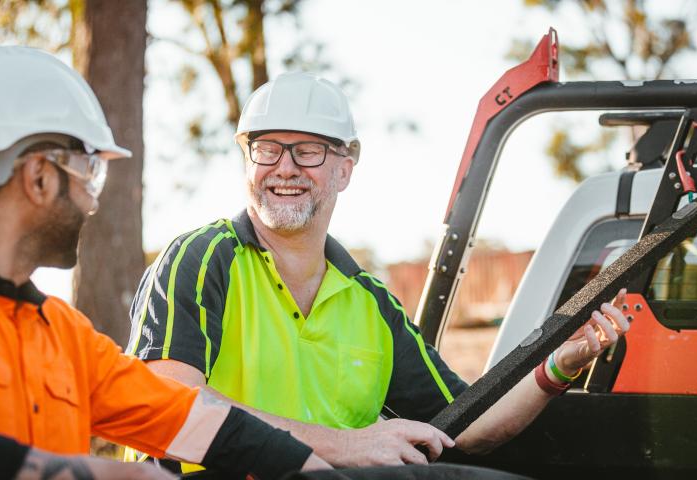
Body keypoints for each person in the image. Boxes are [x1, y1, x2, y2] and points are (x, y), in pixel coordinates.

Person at [126, 72, 629, 471]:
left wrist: (558, 366)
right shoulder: (199, 260)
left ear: (344, 169)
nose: (284, 168)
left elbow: (468, 427)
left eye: (309, 151)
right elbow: (166, 404)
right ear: (247, 160)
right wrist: (343, 447)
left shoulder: (370, 303)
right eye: (267, 148)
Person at [0, 47, 330, 480]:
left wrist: (318, 471)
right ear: (39, 177)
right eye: (90, 174)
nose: (93, 200)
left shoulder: (64, 335)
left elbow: (188, 419)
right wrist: (131, 476)